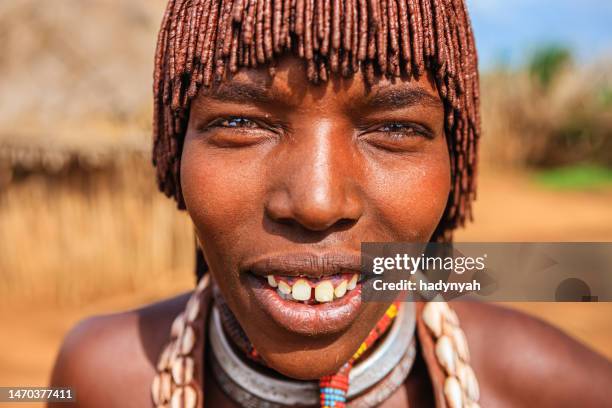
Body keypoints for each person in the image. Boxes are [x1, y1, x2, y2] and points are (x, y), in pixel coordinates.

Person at [49, 0, 612, 407]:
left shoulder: (559, 389)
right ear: (173, 153)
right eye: (241, 122)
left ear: (455, 164)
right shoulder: (98, 379)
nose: (317, 204)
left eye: (394, 128)